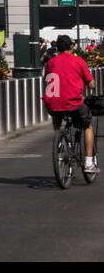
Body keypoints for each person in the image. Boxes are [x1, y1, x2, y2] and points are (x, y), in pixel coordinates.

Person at [43, 34, 98, 175]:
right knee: (87, 125)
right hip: (73, 103)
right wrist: (91, 84)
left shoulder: (50, 62)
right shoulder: (78, 61)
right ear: (72, 46)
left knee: (57, 114)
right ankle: (89, 162)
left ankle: (59, 141)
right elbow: (91, 83)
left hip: (52, 103)